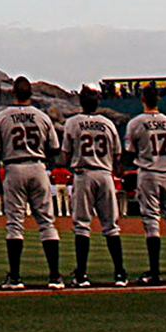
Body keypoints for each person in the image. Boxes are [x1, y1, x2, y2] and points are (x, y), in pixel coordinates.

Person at [124, 84, 166, 285]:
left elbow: (130, 151)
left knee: (151, 220)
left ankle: (154, 271)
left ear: (143, 99)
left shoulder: (136, 122)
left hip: (149, 173)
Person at [62, 84, 128, 288]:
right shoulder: (107, 124)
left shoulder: (73, 123)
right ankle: (120, 273)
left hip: (84, 174)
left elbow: (65, 155)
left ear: (81, 103)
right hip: (105, 174)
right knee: (111, 226)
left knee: (82, 225)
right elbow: (118, 155)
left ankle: (81, 275)